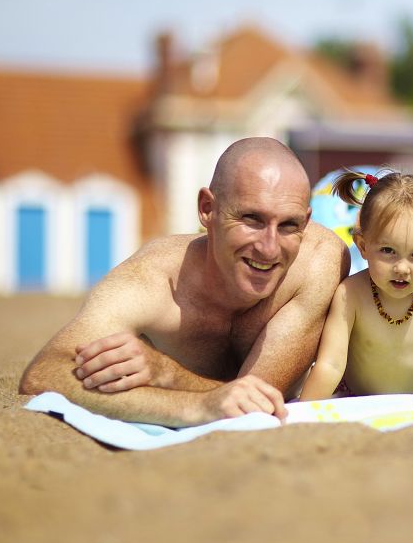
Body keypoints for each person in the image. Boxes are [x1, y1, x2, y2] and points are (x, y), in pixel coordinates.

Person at [18, 137, 349, 426]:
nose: (269, 247)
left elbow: (259, 398)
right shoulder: (150, 281)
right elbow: (44, 374)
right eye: (251, 219)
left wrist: (167, 375)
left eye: (289, 225)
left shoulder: (320, 259)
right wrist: (194, 405)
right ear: (207, 209)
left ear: (306, 222)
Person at [298, 169, 413, 403]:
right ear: (362, 246)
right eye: (388, 251)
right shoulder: (351, 292)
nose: (402, 268)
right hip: (358, 392)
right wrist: (306, 409)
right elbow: (331, 363)